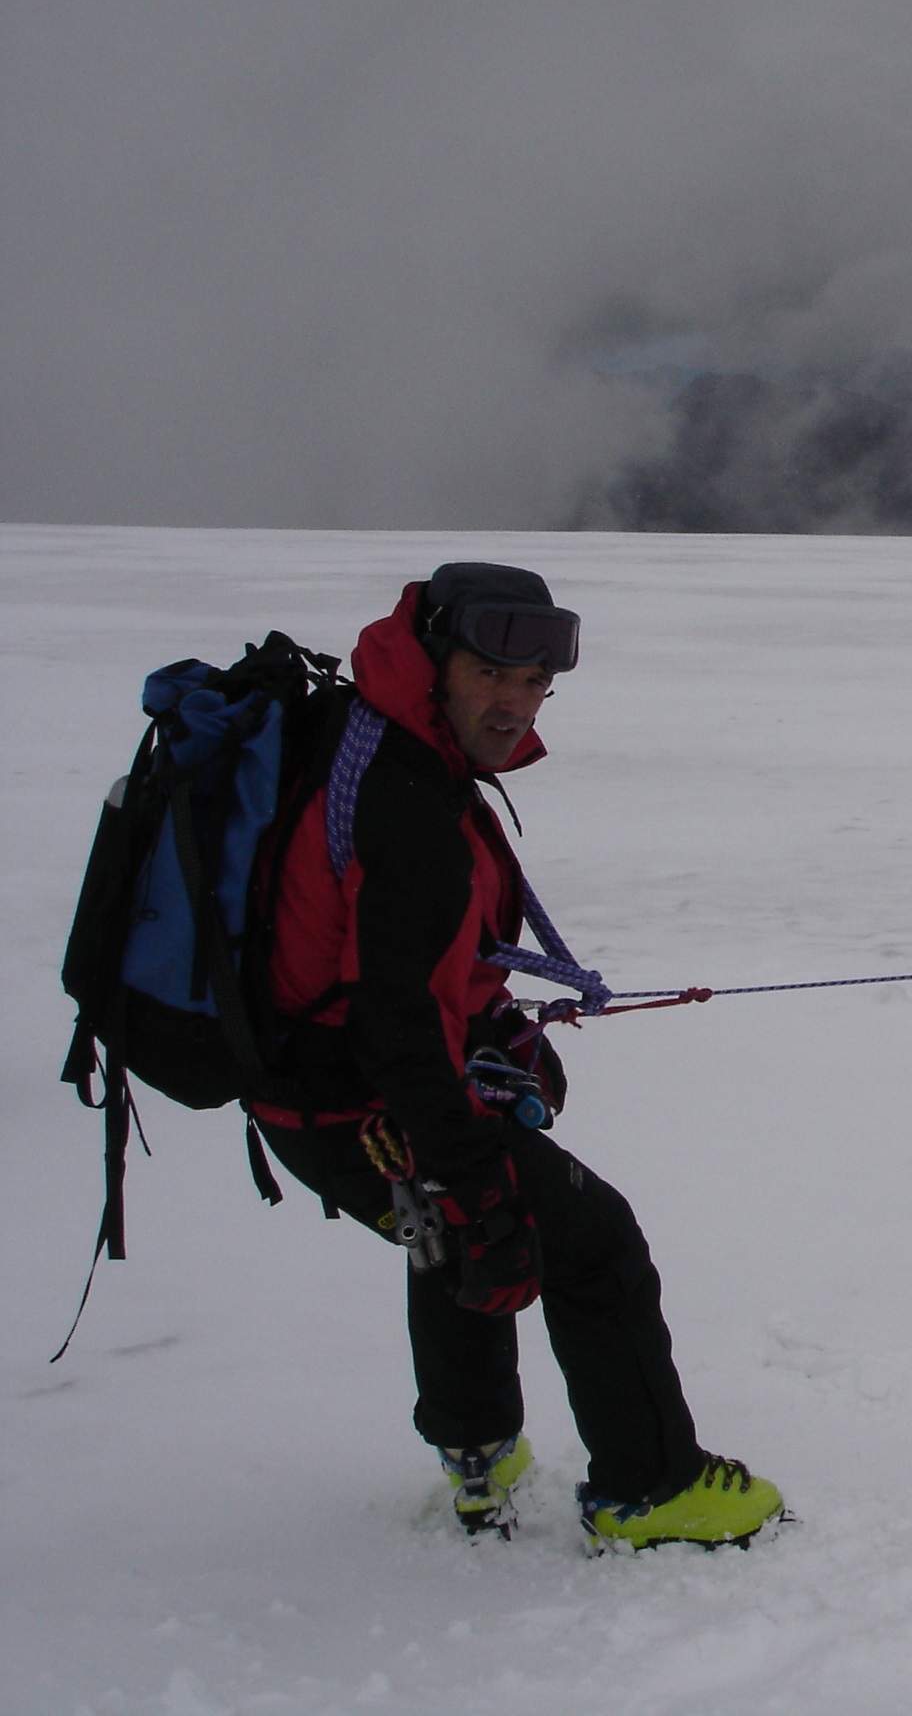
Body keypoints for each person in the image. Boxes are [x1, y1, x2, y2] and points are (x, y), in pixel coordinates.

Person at [253, 562, 785, 1548]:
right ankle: (655, 1489)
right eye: (492, 673)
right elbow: (395, 1029)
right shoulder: (406, 803)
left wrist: (492, 1032)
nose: (516, 702)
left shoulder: (381, 740)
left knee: (448, 1228)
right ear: (437, 664)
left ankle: (478, 1455)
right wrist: (479, 1181)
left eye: (536, 682)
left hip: (331, 1095)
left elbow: (395, 969)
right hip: (363, 1106)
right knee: (589, 1240)